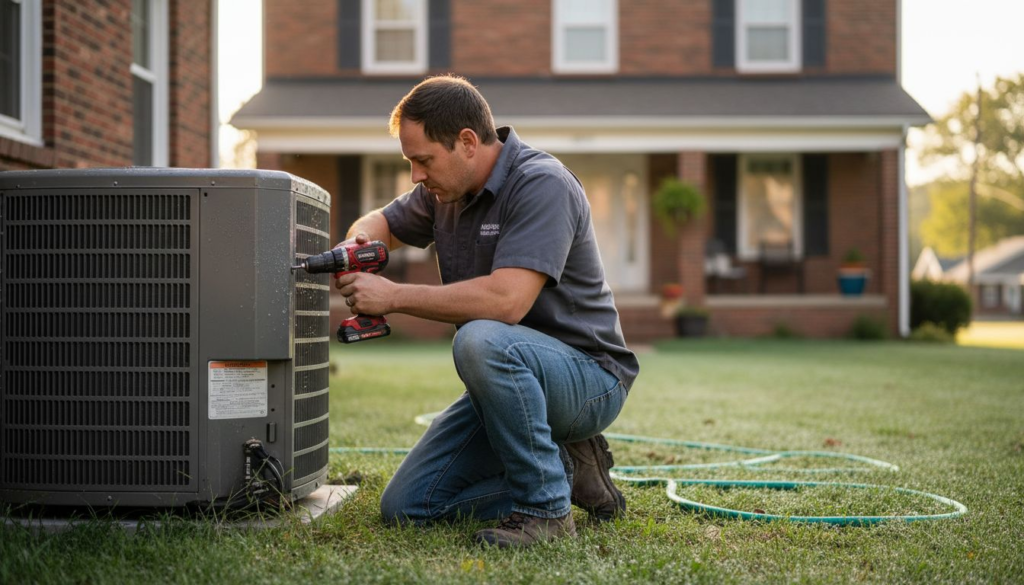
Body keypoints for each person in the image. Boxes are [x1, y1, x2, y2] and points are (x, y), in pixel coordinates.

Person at [334, 75, 639, 548]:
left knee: (479, 337)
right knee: (406, 507)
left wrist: (392, 296)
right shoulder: (445, 191)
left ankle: (547, 512)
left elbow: (506, 302)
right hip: (510, 380)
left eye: (422, 160)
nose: (416, 175)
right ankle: (564, 468)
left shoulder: (542, 184)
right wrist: (359, 246)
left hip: (589, 379)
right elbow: (382, 222)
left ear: (468, 142)